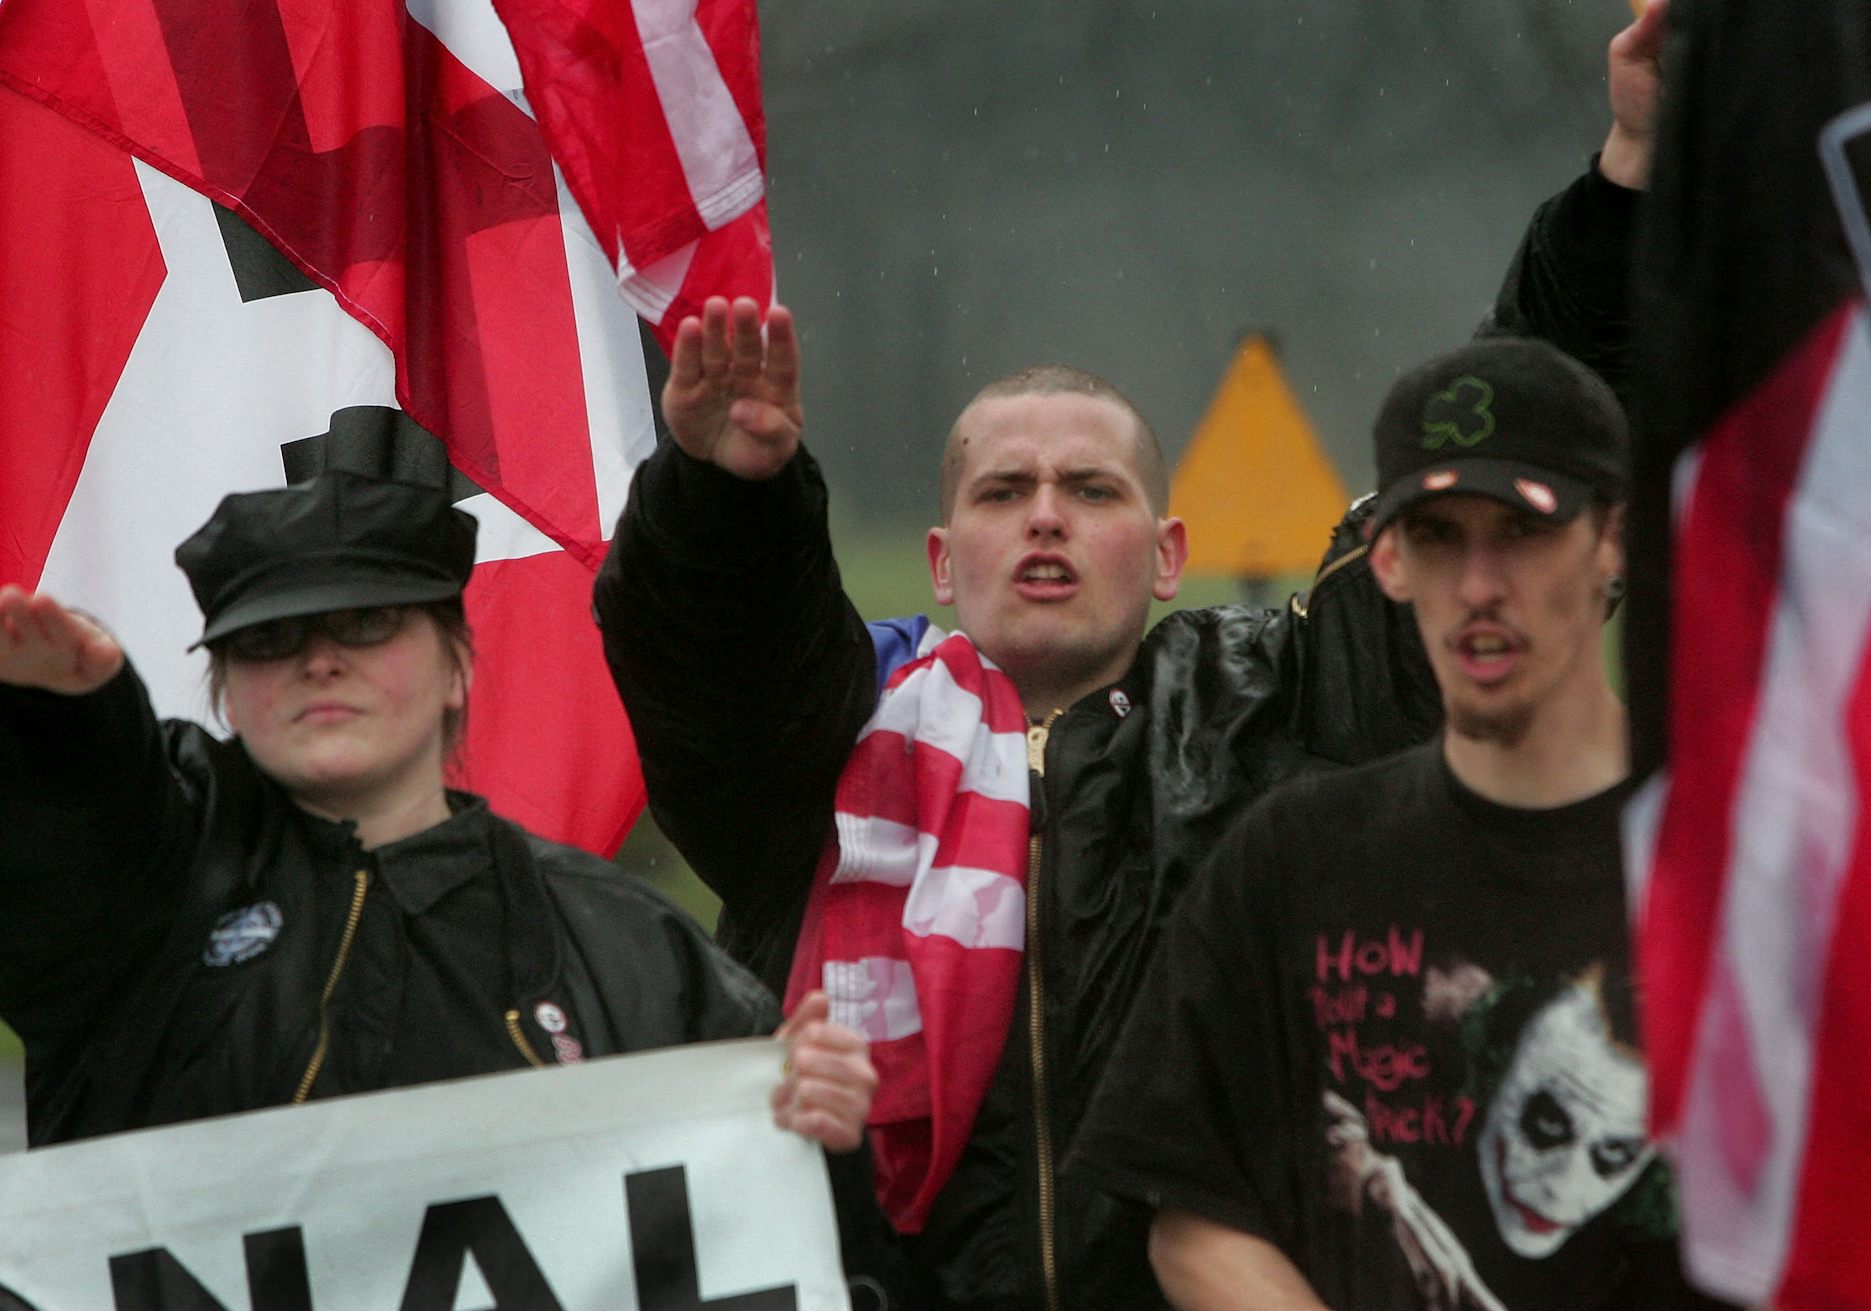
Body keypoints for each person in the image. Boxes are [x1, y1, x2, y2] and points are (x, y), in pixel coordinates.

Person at [592, 10, 1668, 1305]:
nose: (1044, 512)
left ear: (1168, 555)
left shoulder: (1273, 716)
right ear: (938, 561)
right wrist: (722, 491)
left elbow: (1492, 465)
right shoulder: (819, 747)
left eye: (1088, 487)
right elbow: (715, 647)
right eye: (1005, 490)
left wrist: (1631, 174)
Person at [0, 471, 876, 1250]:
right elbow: (67, 844)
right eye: (269, 639)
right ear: (224, 685)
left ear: (459, 663)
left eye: (367, 622)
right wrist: (67, 727)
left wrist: (808, 1130)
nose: (319, 660)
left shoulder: (628, 946)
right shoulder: (140, 894)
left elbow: (768, 1248)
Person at [1070, 338, 1727, 1310]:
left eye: (1523, 530)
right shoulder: (1291, 861)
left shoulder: (1743, 868)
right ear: (1386, 561)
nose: (1479, 585)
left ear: (1616, 543)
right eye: (1439, 537)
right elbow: (1195, 1217)